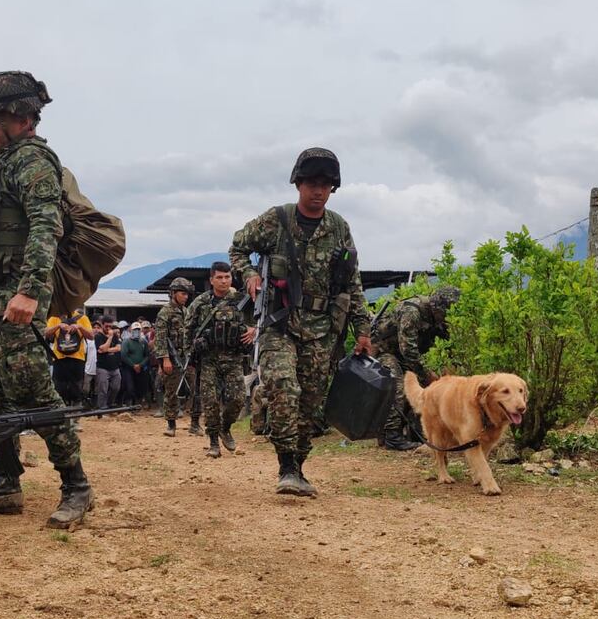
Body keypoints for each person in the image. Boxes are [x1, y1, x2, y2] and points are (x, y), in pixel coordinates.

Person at [0, 70, 93, 528]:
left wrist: (30, 290)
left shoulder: (32, 161)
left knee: (36, 396)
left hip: (13, 302)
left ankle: (77, 487)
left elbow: (46, 226)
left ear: (23, 118)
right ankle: (5, 484)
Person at [229, 147, 371, 496]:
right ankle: (286, 467)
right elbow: (237, 247)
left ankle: (299, 465)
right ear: (298, 184)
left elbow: (352, 281)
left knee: (310, 402)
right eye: (311, 183)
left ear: (333, 188)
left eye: (325, 184)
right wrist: (248, 274)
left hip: (322, 330)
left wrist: (363, 330)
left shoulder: (339, 228)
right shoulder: (276, 220)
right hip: (280, 323)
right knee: (283, 386)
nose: (318, 190)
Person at [371, 286, 461, 450]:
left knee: (429, 391)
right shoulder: (412, 311)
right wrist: (427, 373)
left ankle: (419, 433)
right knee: (398, 386)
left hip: (409, 357)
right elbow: (408, 350)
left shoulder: (439, 318)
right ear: (437, 307)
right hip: (387, 352)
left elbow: (450, 346)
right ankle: (391, 436)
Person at [185, 261, 256, 457]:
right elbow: (187, 330)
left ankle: (225, 428)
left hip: (233, 358)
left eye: (227, 277)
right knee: (211, 402)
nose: (224, 281)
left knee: (238, 399)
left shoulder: (243, 301)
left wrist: (253, 329)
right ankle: (214, 442)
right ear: (211, 280)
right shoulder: (200, 303)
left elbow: (258, 319)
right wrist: (191, 351)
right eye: (219, 277)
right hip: (209, 360)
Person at [153, 277, 203, 437]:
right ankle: (171, 424)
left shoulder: (187, 311)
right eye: (182, 293)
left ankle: (195, 424)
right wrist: (165, 359)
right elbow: (160, 338)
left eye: (187, 294)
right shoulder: (165, 312)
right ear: (173, 293)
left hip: (188, 358)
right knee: (171, 392)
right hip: (173, 359)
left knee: (196, 391)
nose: (186, 297)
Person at [45, 308, 92, 406]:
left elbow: (91, 336)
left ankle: (75, 414)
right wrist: (58, 326)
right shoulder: (54, 317)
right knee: (59, 388)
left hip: (77, 358)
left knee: (76, 388)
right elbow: (46, 333)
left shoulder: (82, 318)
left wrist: (79, 327)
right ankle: (62, 412)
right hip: (59, 358)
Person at [93, 315, 123, 408]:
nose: (109, 328)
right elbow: (101, 348)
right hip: (102, 367)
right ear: (102, 325)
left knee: (116, 387)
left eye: (110, 326)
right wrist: (109, 338)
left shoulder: (115, 335)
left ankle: (109, 404)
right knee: (103, 389)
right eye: (106, 326)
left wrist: (106, 350)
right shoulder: (98, 336)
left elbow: (118, 348)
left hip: (114, 367)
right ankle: (101, 407)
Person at [120, 321, 150, 406]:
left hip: (140, 368)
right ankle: (128, 403)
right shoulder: (126, 341)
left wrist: (140, 365)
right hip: (129, 368)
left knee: (140, 387)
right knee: (130, 387)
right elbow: (124, 355)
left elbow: (147, 355)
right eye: (134, 330)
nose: (136, 331)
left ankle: (137, 403)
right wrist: (133, 365)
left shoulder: (143, 342)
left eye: (138, 330)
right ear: (131, 330)